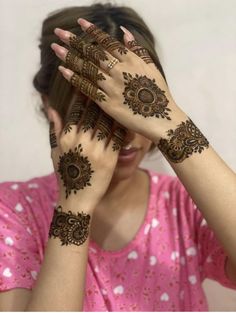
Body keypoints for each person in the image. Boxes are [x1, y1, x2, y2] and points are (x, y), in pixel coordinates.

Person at [0, 3, 236, 311]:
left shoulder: (185, 203)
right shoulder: (14, 212)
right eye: (97, 110)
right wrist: (75, 205)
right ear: (50, 106)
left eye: (136, 108)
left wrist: (169, 122)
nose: (125, 132)